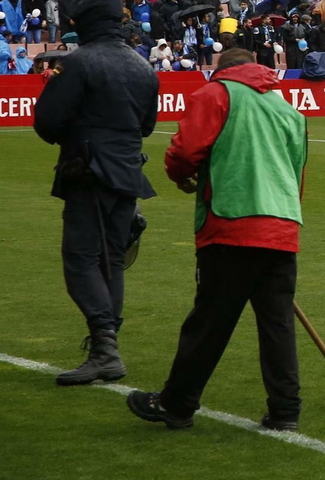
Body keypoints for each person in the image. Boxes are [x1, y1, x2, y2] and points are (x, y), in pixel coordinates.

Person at [127, 47, 309, 432]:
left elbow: (184, 151)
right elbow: (296, 176)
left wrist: (182, 176)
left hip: (232, 223)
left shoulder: (215, 94)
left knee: (209, 322)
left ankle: (177, 404)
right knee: (277, 324)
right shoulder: (288, 110)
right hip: (282, 225)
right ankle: (285, 410)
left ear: (222, 70)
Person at [33, 0, 160, 386]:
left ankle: (105, 348)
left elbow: (47, 122)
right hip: (127, 170)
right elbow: (147, 127)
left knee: (81, 259)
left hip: (88, 170)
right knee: (111, 261)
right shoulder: (143, 68)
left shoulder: (79, 63)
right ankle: (108, 344)